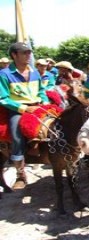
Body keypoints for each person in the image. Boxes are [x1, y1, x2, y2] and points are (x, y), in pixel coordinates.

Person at [0, 42, 50, 189]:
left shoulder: (34, 72)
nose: (29, 55)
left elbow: (41, 91)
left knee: (61, 124)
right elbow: (3, 98)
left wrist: (45, 101)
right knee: (16, 135)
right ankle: (20, 175)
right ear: (14, 55)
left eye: (29, 52)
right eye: (24, 53)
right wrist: (23, 108)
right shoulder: (4, 74)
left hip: (38, 106)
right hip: (17, 109)